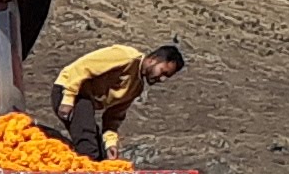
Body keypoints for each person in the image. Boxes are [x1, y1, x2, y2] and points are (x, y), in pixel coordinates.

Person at [48, 42, 186, 162]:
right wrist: (68, 98)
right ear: (153, 59)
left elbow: (113, 118)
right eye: (162, 72)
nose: (162, 79)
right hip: (70, 90)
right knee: (88, 145)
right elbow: (82, 68)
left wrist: (110, 144)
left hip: (85, 101)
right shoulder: (126, 56)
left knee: (101, 154)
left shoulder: (136, 88)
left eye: (166, 77)